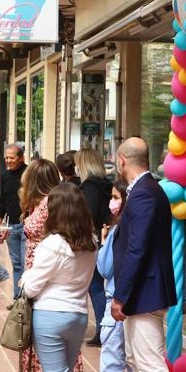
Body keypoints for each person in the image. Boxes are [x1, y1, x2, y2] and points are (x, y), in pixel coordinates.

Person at [104, 137, 176, 372]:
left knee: (150, 365)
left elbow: (138, 247)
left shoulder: (145, 193)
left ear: (121, 160)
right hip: (142, 290)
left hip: (145, 290)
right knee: (137, 362)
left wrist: (121, 295)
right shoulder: (145, 190)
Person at [21, 182, 97, 372]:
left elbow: (32, 286)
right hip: (77, 315)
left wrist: (24, 280)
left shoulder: (52, 244)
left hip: (51, 315)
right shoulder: (89, 241)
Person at [12, 159, 90, 372]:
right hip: (68, 302)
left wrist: (25, 285)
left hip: (48, 291)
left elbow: (34, 281)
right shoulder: (77, 234)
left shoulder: (53, 214)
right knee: (58, 371)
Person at [84, 179, 133, 372]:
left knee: (113, 363)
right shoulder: (136, 227)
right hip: (135, 304)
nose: (111, 202)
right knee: (133, 365)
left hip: (116, 302)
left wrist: (104, 242)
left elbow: (104, 268)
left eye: (115, 197)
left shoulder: (117, 230)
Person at [76, 148, 112, 347]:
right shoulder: (104, 184)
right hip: (101, 238)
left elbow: (87, 215)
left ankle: (101, 328)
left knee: (95, 286)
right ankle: (102, 327)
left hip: (92, 240)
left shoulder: (90, 186)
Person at [0, 143, 27, 300]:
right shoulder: (5, 176)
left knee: (25, 262)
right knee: (16, 263)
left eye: (11, 157)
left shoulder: (28, 173)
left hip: (27, 224)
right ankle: (17, 299)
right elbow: (2, 199)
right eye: (6, 158)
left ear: (21, 159)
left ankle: (25, 298)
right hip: (11, 225)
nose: (8, 160)